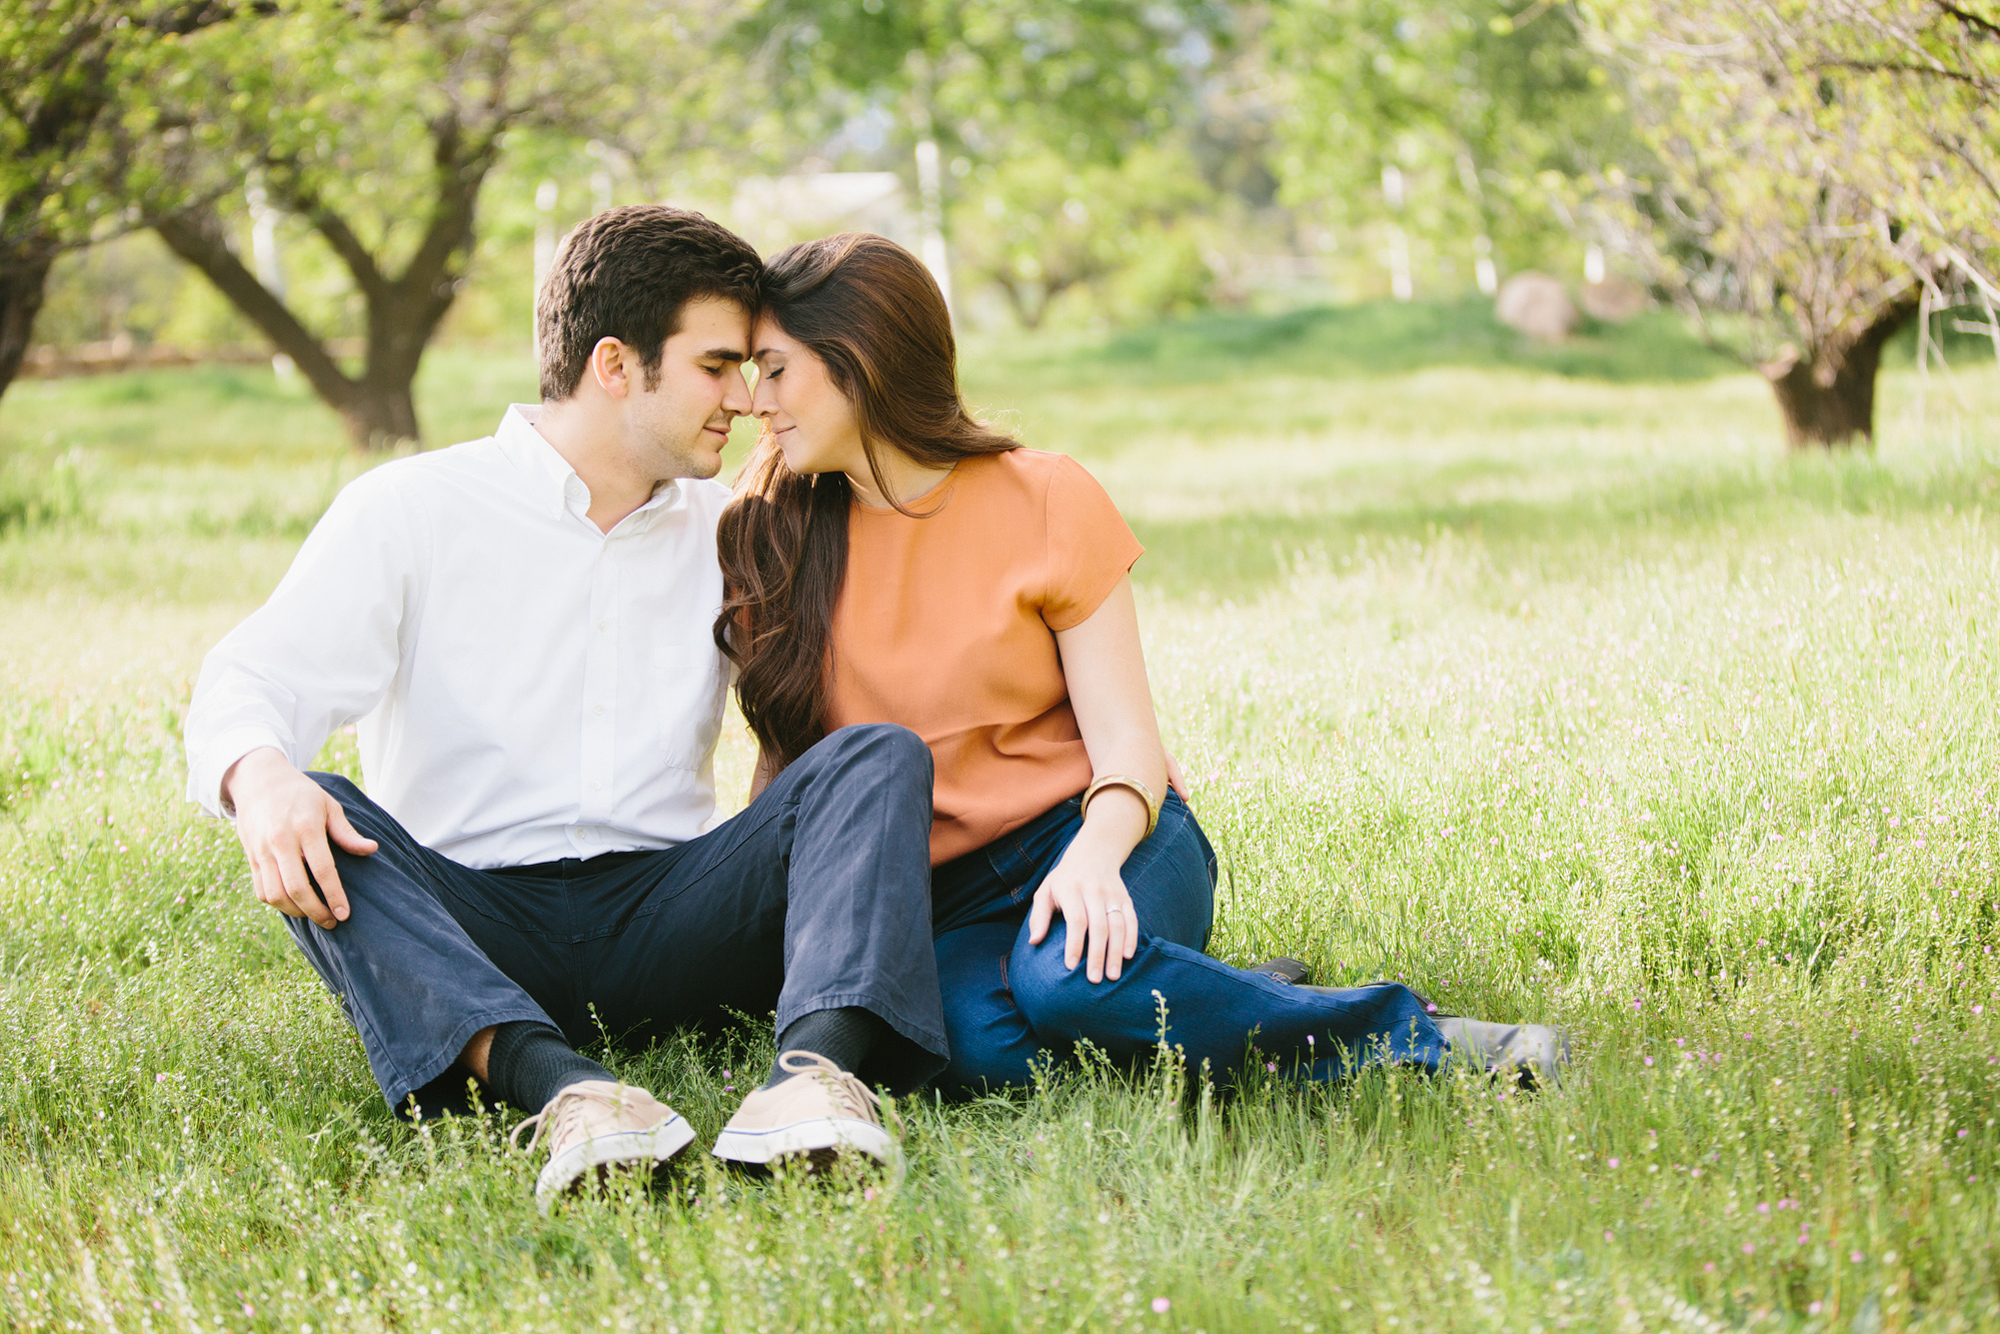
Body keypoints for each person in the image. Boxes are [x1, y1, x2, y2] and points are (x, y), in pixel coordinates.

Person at [182, 207, 950, 1207]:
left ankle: (810, 1085)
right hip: (472, 916)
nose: (748, 400)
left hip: (667, 911)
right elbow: (247, 681)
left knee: (874, 755)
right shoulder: (412, 507)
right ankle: (566, 1092)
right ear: (615, 364)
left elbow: (893, 650)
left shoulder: (736, 529)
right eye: (717, 367)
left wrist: (1090, 750)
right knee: (318, 801)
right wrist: (263, 776)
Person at [715, 233, 1563, 1096]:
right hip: (948, 895)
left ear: (857, 361)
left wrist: (1092, 856)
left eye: (776, 370)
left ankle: (1424, 1038)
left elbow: (1129, 742)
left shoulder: (1044, 497)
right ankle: (1242, 998)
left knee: (1067, 984)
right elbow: (787, 781)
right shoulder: (775, 534)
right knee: (974, 1055)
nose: (755, 402)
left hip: (1104, 830)